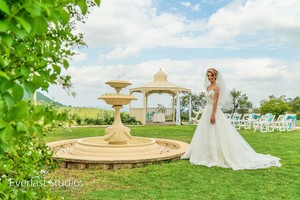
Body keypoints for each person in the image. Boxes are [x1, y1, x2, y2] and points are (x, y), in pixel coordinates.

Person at [181, 68, 281, 170]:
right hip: (207, 110)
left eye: (211, 75)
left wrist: (213, 114)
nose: (209, 77)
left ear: (215, 76)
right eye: (208, 75)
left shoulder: (217, 87)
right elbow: (208, 101)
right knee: (205, 133)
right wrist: (205, 111)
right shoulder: (208, 87)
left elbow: (215, 102)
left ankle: (217, 155)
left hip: (214, 111)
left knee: (217, 132)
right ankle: (205, 154)